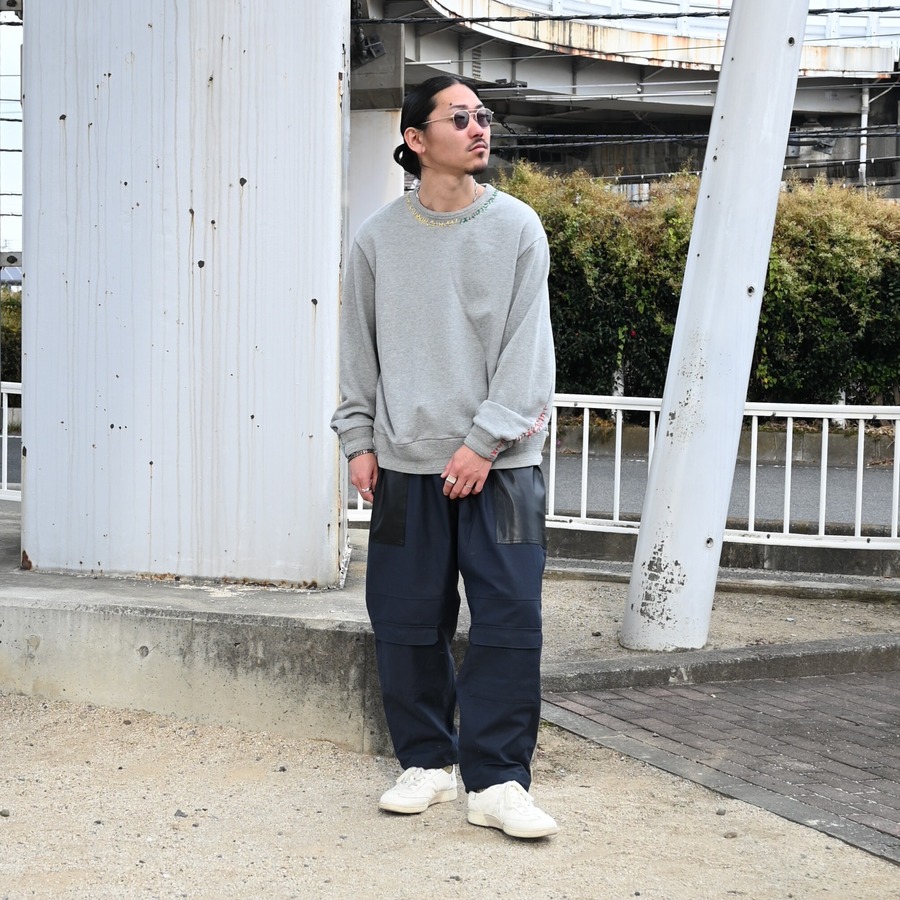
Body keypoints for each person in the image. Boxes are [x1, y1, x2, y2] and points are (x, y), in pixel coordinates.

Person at [331, 75, 557, 840]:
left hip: (505, 467)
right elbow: (357, 348)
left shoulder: (518, 227)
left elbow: (530, 352)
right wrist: (358, 439)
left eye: (482, 116)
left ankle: (498, 780)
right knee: (404, 618)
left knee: (509, 619)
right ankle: (426, 762)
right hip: (404, 462)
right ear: (417, 139)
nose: (479, 127)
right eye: (460, 117)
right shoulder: (376, 239)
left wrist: (483, 442)